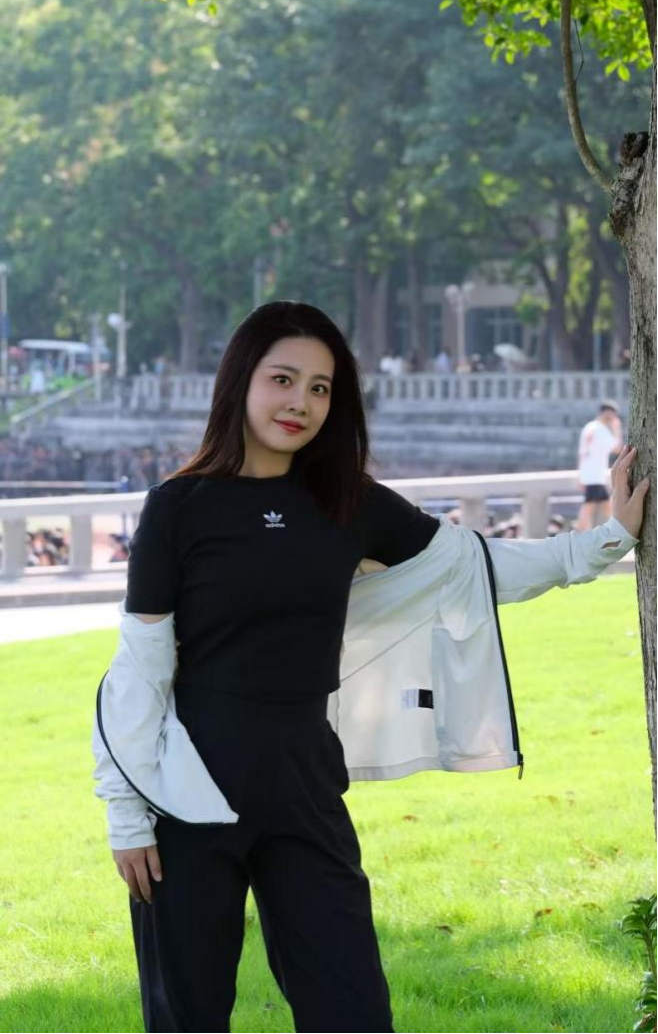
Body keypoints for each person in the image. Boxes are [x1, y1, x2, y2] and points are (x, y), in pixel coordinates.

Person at [93, 301, 647, 1034]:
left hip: (305, 786)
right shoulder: (178, 507)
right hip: (183, 794)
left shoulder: (348, 504)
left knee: (352, 1008)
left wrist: (605, 542)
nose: (300, 401)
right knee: (186, 1017)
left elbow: (472, 567)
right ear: (240, 381)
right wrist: (126, 814)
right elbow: (139, 668)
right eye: (283, 379)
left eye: (320, 387)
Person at [576, 401, 624, 530]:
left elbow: (581, 454)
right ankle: (581, 534)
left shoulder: (589, 427)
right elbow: (617, 449)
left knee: (606, 506)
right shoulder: (601, 430)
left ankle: (615, 530)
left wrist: (580, 475)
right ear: (607, 413)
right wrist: (617, 429)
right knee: (589, 507)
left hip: (589, 474)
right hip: (596, 475)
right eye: (613, 415)